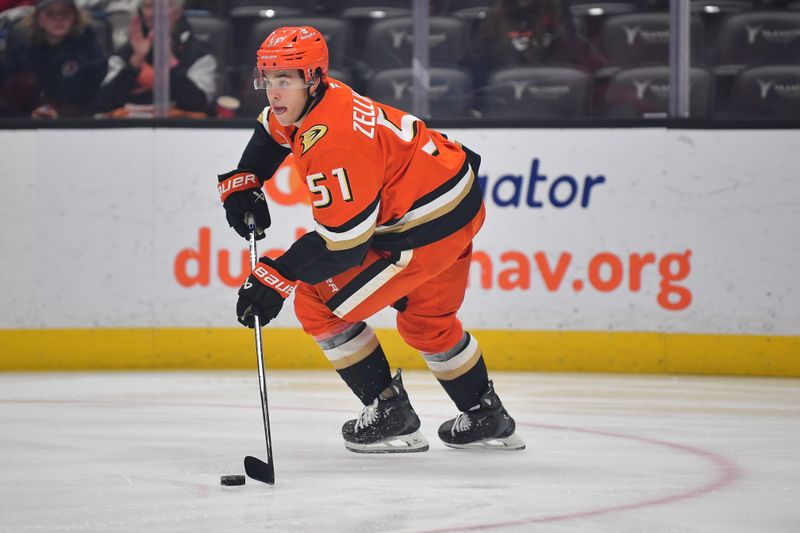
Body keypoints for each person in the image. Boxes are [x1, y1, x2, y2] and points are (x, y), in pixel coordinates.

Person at [217, 26, 525, 453]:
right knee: (427, 321)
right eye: (267, 79)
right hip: (456, 204)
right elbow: (271, 132)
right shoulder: (325, 95)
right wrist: (246, 179)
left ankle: (389, 412)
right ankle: (484, 413)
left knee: (315, 300)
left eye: (284, 79)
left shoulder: (334, 142)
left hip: (424, 227)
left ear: (312, 78)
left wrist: (277, 275)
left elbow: (344, 243)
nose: (273, 92)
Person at [97, 0, 215, 116]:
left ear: (179, 12)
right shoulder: (124, 54)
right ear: (141, 12)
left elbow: (198, 104)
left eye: (166, 6)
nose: (157, 13)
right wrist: (135, 62)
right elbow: (106, 102)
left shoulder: (200, 56)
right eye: (149, 6)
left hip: (181, 129)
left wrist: (169, 60)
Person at [1, 0, 106, 118]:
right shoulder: (20, 54)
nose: (58, 19)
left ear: (75, 18)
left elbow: (97, 99)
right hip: (27, 127)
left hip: (77, 126)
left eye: (64, 13)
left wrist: (61, 113)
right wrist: (30, 114)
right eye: (50, 13)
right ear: (38, 19)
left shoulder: (90, 52)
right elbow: (7, 100)